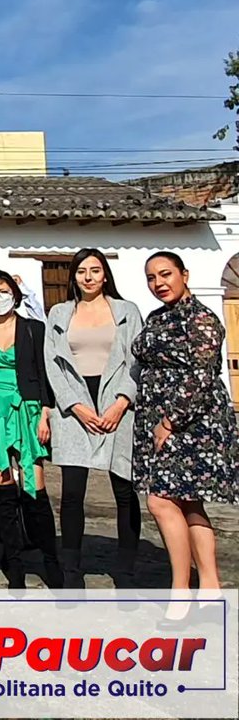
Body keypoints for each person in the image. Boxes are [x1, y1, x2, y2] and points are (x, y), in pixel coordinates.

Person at [131, 252, 238, 607]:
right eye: (151, 277)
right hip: (157, 419)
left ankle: (181, 588)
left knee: (160, 501)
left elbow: (201, 376)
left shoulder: (202, 320)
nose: (159, 283)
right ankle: (210, 586)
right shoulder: (157, 317)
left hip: (193, 423)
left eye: (165, 274)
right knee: (189, 503)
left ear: (184, 274)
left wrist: (169, 421)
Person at [44, 248, 144, 588]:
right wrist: (75, 406)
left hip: (118, 405)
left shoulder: (127, 311)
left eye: (95, 270)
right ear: (73, 276)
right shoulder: (59, 313)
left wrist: (121, 402)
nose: (88, 277)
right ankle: (72, 572)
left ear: (105, 275)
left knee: (125, 491)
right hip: (76, 407)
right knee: (72, 493)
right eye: (81, 271)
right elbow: (52, 366)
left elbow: (137, 361)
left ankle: (127, 571)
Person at [0, 271, 62, 589]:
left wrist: (46, 413)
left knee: (35, 488)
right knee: (2, 489)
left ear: (15, 294)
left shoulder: (34, 329)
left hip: (28, 408)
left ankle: (51, 563)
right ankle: (14, 567)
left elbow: (44, 373)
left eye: (4, 290)